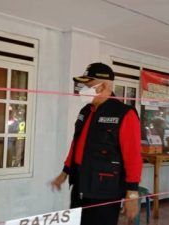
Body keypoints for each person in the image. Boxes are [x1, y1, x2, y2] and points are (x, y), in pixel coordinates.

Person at [51, 63, 143, 225]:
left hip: (105, 190)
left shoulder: (124, 114)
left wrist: (132, 194)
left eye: (89, 85)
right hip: (80, 185)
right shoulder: (85, 111)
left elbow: (133, 156)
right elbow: (76, 144)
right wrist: (65, 172)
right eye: (85, 86)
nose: (84, 90)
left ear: (105, 86)